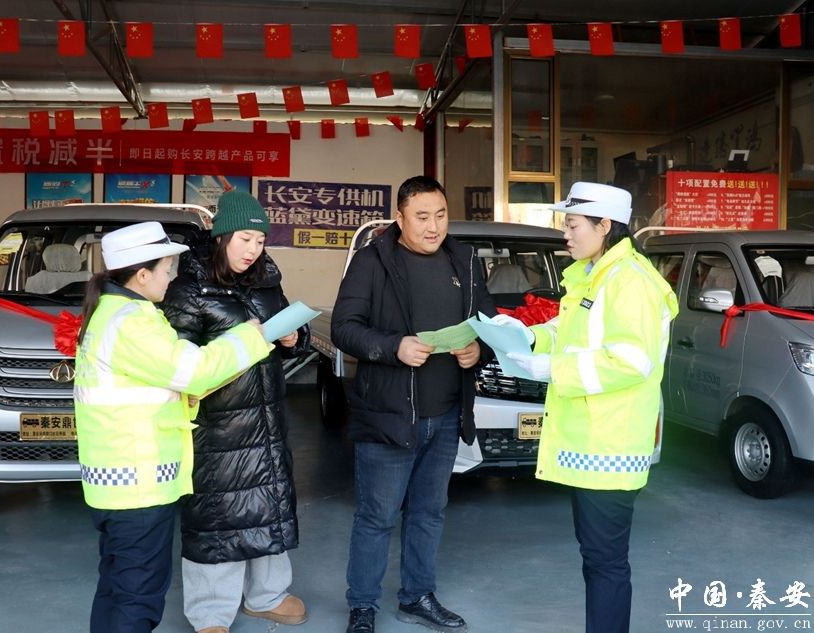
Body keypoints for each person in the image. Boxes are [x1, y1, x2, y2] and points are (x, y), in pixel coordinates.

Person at [74, 221, 272, 633]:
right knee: (137, 598)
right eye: (167, 269)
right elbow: (194, 370)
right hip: (138, 485)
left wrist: (183, 395)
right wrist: (248, 338)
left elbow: (150, 381)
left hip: (115, 482)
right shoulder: (132, 321)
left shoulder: (110, 313)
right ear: (142, 275)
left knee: (116, 587)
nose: (172, 278)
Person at [502, 182, 679, 633]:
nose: (565, 234)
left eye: (573, 225)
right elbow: (571, 329)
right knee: (597, 557)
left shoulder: (630, 282)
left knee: (605, 561)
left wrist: (552, 369)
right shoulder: (595, 274)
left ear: (604, 226)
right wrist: (527, 336)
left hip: (611, 446)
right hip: (593, 442)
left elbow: (632, 361)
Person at [332, 175, 494, 633]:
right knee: (377, 516)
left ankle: (417, 596)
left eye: (440, 215)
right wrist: (393, 346)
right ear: (400, 219)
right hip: (389, 416)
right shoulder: (372, 261)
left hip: (445, 415)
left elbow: (490, 323)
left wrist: (479, 349)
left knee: (428, 512)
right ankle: (363, 606)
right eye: (422, 217)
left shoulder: (464, 260)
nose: (433, 226)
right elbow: (345, 327)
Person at [160, 191, 309, 633]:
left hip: (266, 417)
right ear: (222, 236)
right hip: (216, 423)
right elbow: (179, 360)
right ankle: (211, 612)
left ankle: (267, 596)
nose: (252, 250)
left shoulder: (265, 281)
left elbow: (284, 328)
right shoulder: (188, 290)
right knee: (217, 516)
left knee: (269, 505)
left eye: (260, 242)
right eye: (245, 239)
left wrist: (293, 339)